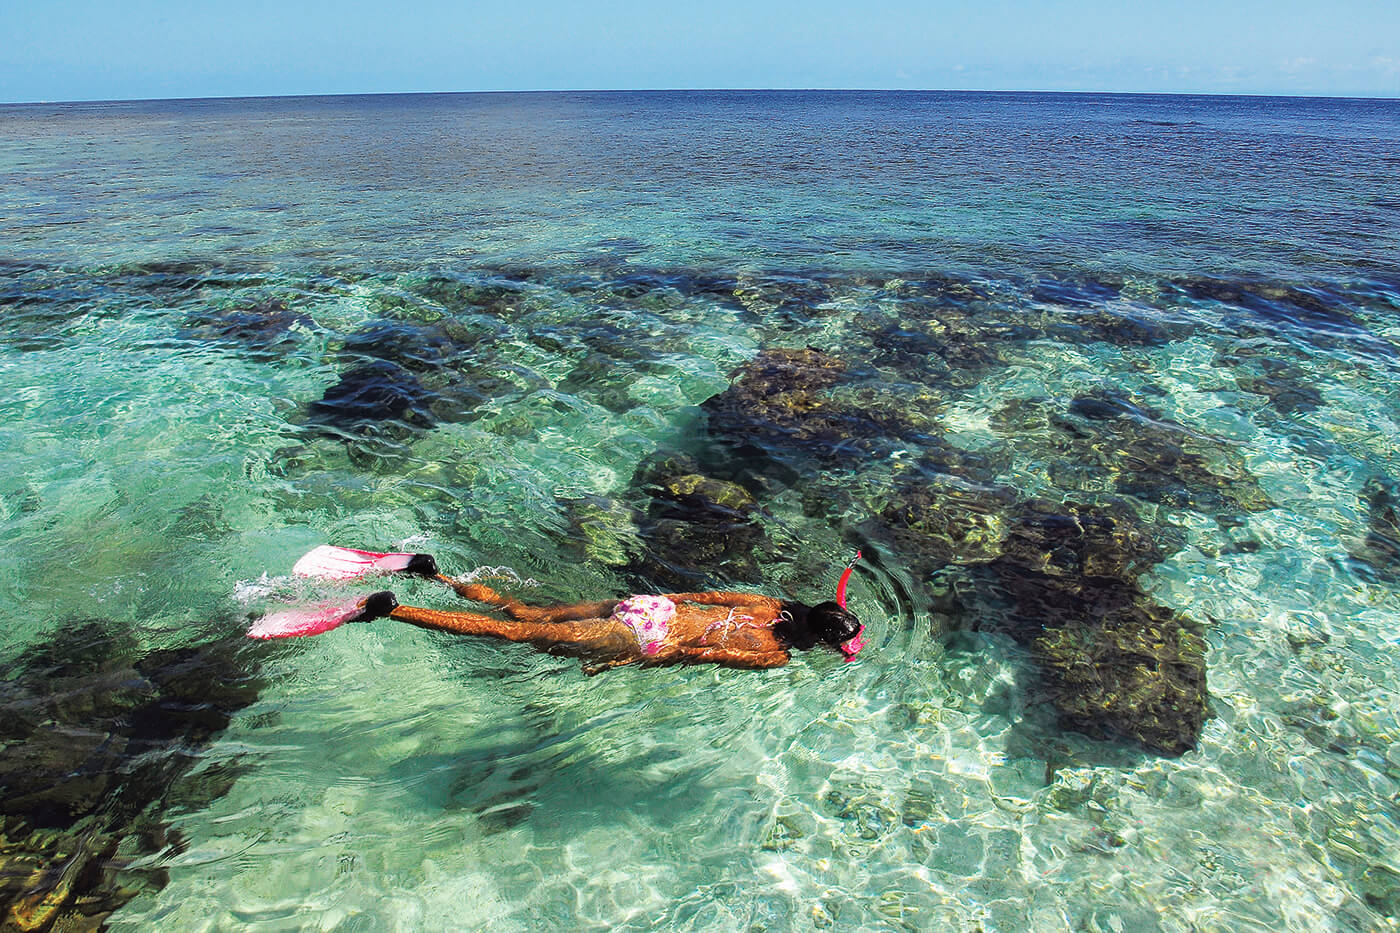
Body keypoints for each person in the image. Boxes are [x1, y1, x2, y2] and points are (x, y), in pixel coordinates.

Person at [250, 546, 867, 671]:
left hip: (643, 606)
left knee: (524, 612)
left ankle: (432, 574)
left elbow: (695, 600)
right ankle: (389, 610)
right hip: (645, 639)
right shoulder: (770, 656)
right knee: (511, 639)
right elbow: (694, 651)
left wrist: (643, 611)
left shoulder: (765, 603)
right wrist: (631, 660)